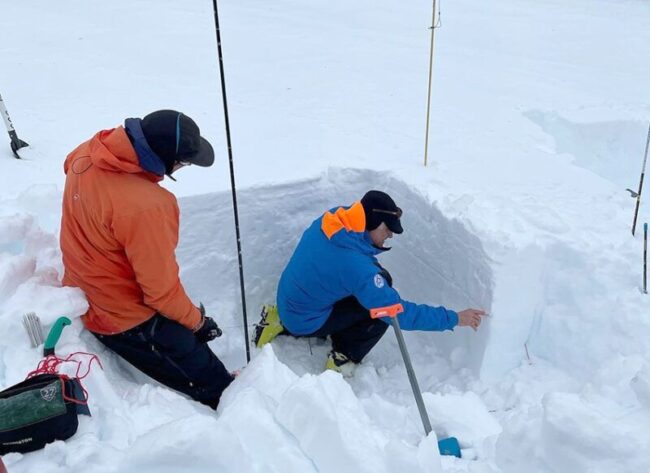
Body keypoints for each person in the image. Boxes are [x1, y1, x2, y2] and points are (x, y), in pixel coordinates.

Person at [60, 109, 233, 409]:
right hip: (117, 317)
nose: (181, 168)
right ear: (164, 157)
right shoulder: (147, 207)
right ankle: (222, 400)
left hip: (84, 281)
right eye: (182, 163)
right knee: (209, 376)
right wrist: (198, 323)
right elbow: (161, 293)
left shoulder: (89, 151)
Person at [254, 190, 485, 374]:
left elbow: (353, 265)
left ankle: (278, 318)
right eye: (388, 229)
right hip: (304, 321)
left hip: (289, 301)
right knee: (382, 312)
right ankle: (344, 356)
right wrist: (455, 318)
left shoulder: (335, 219)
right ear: (374, 223)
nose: (390, 235)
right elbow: (399, 314)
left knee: (379, 283)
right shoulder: (357, 268)